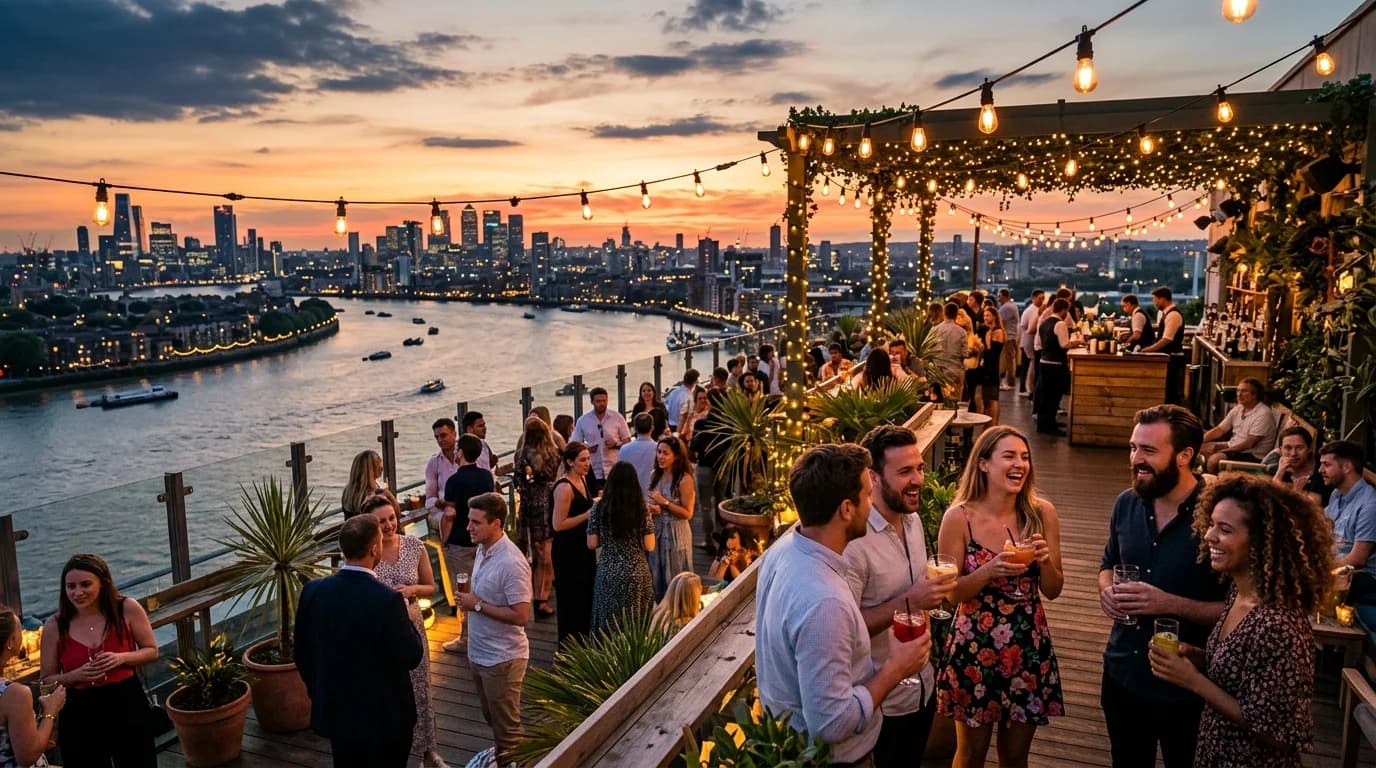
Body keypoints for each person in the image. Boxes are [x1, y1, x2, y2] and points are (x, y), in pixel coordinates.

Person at [756, 443, 930, 764]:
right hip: (834, 759)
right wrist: (897, 669)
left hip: (786, 743)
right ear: (846, 509)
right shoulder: (825, 601)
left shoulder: (783, 551)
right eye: (867, 495)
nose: (871, 503)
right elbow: (832, 723)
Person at [1148, 474, 1333, 768]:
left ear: (1261, 542)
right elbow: (1244, 674)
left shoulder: (1278, 625)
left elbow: (1279, 734)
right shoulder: (1239, 592)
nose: (1208, 536)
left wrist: (1192, 680)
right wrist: (1198, 658)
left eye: (1225, 529)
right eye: (1211, 524)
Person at [1099, 405, 1227, 768]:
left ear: (1185, 455)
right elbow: (1107, 564)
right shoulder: (1126, 503)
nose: (1136, 459)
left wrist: (1168, 603)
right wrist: (1107, 590)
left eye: (1149, 451)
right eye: (1133, 448)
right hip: (1123, 673)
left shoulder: (1221, 517)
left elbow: (1242, 611)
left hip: (1190, 685)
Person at [936, 426, 1065, 768]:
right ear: (983, 464)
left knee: (1015, 757)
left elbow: (1053, 589)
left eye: (1024, 457)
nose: (1020, 464)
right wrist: (989, 571)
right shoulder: (959, 517)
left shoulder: (1042, 514)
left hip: (1028, 646)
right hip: (974, 649)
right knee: (971, 754)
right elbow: (949, 594)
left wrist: (1045, 561)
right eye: (1009, 456)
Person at [844, 425, 958, 768]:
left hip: (922, 691)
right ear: (872, 477)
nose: (918, 480)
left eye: (920, 468)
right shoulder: (854, 543)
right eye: (905, 471)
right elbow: (846, 629)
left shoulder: (913, 521)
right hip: (882, 705)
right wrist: (911, 600)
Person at [296, 515, 424, 768]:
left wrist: (321, 692)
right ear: (375, 549)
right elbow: (411, 655)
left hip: (337, 714)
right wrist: (408, 620)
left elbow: (302, 653)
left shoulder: (313, 591)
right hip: (384, 720)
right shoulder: (387, 601)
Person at [40, 553, 159, 768]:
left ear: (103, 584)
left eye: (85, 584)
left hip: (125, 700)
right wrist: (75, 675)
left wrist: (120, 657)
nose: (77, 593)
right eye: (71, 586)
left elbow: (151, 650)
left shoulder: (127, 608)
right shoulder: (54, 625)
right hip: (79, 708)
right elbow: (46, 679)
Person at [367, 496, 445, 768]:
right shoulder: (369, 553)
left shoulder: (414, 545)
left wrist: (411, 590)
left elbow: (430, 586)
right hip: (380, 635)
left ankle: (428, 751)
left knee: (421, 689)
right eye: (381, 521)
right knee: (390, 693)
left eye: (391, 518)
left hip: (411, 626)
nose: (389, 525)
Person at [459, 493, 532, 766]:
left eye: (476, 522)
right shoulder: (482, 549)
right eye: (469, 521)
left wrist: (476, 605)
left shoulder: (512, 563)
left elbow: (521, 615)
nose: (469, 527)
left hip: (502, 658)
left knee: (507, 730)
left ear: (496, 523)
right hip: (479, 653)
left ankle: (513, 763)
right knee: (493, 718)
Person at [441, 434, 495, 654]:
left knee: (463, 591)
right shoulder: (486, 477)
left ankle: (466, 638)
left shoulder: (454, 481)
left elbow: (450, 513)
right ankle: (484, 632)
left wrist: (443, 539)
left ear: (461, 452)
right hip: (482, 541)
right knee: (482, 587)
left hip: (460, 542)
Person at [588, 461, 656, 632]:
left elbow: (592, 543)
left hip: (608, 573)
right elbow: (650, 545)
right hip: (636, 572)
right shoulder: (642, 509)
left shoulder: (599, 508)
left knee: (608, 626)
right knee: (636, 626)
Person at [2, 606, 65, 768]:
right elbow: (27, 756)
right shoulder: (14, 694)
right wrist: (50, 711)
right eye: (19, 630)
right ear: (11, 642)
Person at [551, 441, 598, 647]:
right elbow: (558, 524)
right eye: (583, 460)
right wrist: (587, 514)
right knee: (570, 598)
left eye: (588, 459)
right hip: (567, 550)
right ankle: (568, 645)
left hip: (583, 546)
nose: (587, 463)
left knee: (585, 595)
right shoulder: (564, 488)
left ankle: (582, 641)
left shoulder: (583, 479)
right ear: (570, 462)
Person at [514, 415, 561, 618]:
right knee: (546, 555)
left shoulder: (520, 455)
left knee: (535, 552)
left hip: (527, 506)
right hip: (547, 504)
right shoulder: (551, 453)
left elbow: (519, 482)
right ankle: (542, 598)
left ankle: (535, 597)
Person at [1321, 440, 1376, 602]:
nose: (1320, 470)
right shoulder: (1336, 494)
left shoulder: (1370, 505)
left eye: (1326, 465)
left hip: (1360, 576)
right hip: (1334, 567)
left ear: (1346, 467)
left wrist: (1317, 569)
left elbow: (1357, 560)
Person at [648, 435, 696, 599]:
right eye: (659, 452)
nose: (660, 456)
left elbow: (688, 513)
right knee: (656, 573)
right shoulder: (655, 474)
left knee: (675, 575)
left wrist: (665, 503)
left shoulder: (684, 479)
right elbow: (653, 501)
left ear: (676, 456)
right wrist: (652, 507)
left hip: (676, 534)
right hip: (658, 531)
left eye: (665, 453)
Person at [1200, 377, 1277, 473]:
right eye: (1238, 391)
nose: (1239, 394)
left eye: (1244, 391)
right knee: (1200, 448)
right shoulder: (1239, 408)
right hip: (1235, 447)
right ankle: (1206, 479)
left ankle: (1216, 485)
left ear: (1254, 395)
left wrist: (1223, 451)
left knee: (1214, 459)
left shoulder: (1263, 414)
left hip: (1252, 455)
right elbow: (1220, 429)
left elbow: (1249, 444)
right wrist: (1199, 440)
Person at [570, 387, 631, 497]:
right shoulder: (583, 420)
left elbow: (627, 441)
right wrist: (588, 449)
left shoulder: (617, 417)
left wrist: (616, 444)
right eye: (598, 401)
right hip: (593, 470)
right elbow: (575, 444)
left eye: (604, 401)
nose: (602, 404)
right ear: (592, 402)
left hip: (614, 468)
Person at [1034, 298, 1083, 435]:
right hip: (1055, 364)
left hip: (1044, 362)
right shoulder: (1060, 324)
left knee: (1046, 395)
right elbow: (1064, 344)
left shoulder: (1045, 323)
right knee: (1054, 396)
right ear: (1064, 310)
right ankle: (1049, 426)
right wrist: (1078, 342)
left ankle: (1046, 422)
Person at [1141, 287, 1186, 404]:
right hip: (1167, 357)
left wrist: (1149, 350)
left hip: (1172, 358)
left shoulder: (1173, 315)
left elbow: (1167, 339)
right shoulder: (1166, 314)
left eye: (1155, 299)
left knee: (1171, 392)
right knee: (1167, 390)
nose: (1154, 303)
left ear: (1163, 299)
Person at [1273, 426, 1327, 506]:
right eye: (1288, 448)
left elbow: (1314, 505)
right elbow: (1268, 498)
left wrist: (1294, 493)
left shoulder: (1322, 470)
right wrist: (1280, 473)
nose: (1293, 453)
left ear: (1309, 448)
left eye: (1299, 448)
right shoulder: (1277, 469)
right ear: (1281, 450)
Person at [424, 419, 462, 533]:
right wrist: (438, 502)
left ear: (454, 434)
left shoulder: (465, 455)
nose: (440, 440)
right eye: (437, 437)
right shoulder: (433, 462)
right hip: (446, 510)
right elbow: (429, 498)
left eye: (443, 435)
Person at [618, 413, 659, 493]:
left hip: (630, 495)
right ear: (652, 428)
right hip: (652, 496)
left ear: (635, 429)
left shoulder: (624, 449)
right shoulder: (658, 449)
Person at [978, 306, 1006, 425]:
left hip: (992, 368)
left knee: (993, 397)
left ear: (994, 316)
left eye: (988, 315)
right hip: (985, 368)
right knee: (986, 397)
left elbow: (993, 353)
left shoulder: (998, 332)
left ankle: (993, 422)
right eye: (984, 315)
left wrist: (988, 342)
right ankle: (988, 422)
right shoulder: (987, 330)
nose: (985, 318)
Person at [342, 450, 385, 518]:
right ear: (370, 469)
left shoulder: (348, 492)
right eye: (378, 464)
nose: (382, 468)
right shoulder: (371, 495)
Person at [997, 289, 1021, 390]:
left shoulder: (1006, 307)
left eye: (999, 296)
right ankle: (1010, 381)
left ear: (1004, 296)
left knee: (1007, 360)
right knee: (1010, 360)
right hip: (1012, 336)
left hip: (1008, 337)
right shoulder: (1012, 306)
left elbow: (999, 321)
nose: (998, 298)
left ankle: (1008, 382)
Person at [664, 369, 700, 433]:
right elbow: (683, 417)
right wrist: (678, 434)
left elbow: (667, 408)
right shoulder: (688, 396)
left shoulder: (674, 392)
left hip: (670, 425)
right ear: (695, 382)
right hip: (680, 428)